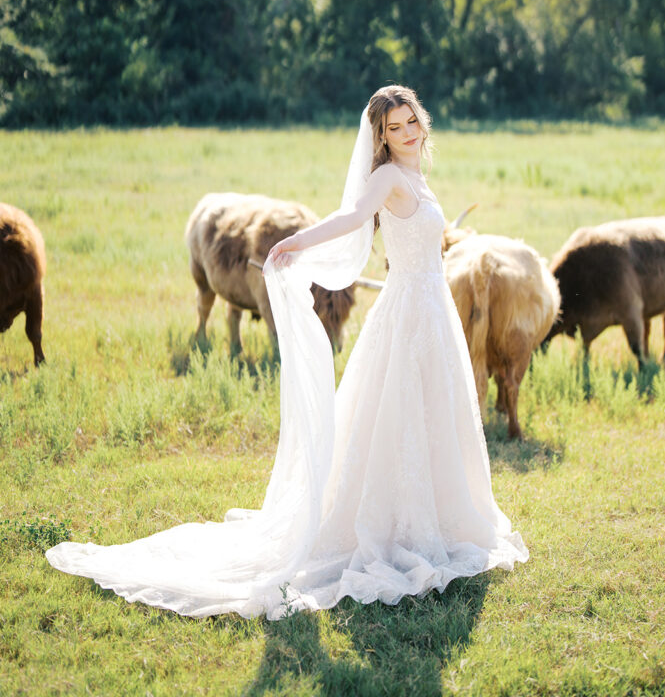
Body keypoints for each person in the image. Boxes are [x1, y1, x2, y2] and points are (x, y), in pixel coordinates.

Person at [46, 85, 528, 618]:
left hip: (431, 309)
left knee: (436, 411)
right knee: (397, 412)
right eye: (394, 128)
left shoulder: (418, 174)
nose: (408, 132)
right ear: (381, 138)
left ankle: (441, 515)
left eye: (411, 121)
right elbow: (351, 219)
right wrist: (298, 243)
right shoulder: (388, 176)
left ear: (421, 121)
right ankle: (393, 523)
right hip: (408, 312)